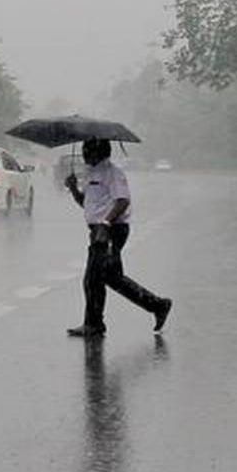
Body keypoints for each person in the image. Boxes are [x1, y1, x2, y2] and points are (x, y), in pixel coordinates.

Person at [64, 138, 172, 337]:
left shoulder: (113, 173)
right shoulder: (91, 174)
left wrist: (105, 224)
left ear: (99, 151)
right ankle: (157, 305)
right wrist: (73, 189)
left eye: (87, 149)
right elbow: (88, 205)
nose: (84, 153)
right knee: (111, 278)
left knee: (93, 278)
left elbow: (122, 201)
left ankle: (94, 324)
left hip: (111, 230)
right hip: (98, 230)